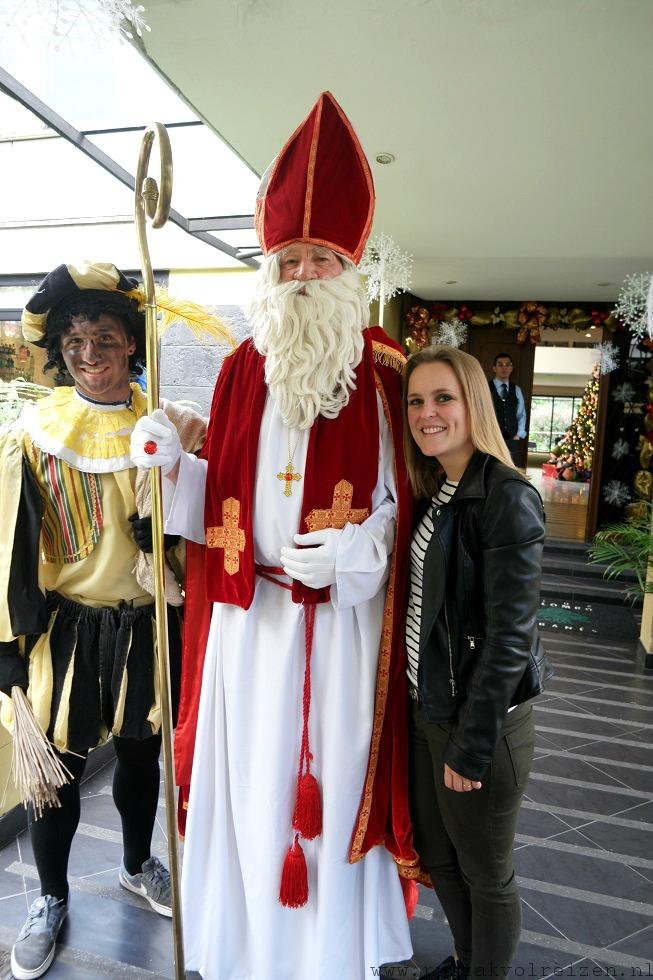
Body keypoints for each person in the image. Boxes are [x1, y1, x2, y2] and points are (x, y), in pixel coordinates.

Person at [131, 91, 419, 980]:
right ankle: (243, 949)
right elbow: (212, 496)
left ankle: (325, 959)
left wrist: (351, 554)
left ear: (349, 269)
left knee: (324, 793)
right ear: (268, 265)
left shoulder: (383, 376)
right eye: (287, 257)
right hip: (245, 623)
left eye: (318, 257)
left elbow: (405, 510)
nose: (299, 274)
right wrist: (167, 464)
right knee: (246, 796)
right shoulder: (237, 370)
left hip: (339, 629)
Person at [0, 263, 207, 980]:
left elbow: (208, 525)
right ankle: (51, 899)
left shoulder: (172, 425)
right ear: (60, 350)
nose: (89, 353)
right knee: (57, 771)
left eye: (106, 338)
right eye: (76, 340)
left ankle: (134, 864)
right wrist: (6, 647)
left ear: (131, 345)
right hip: (69, 629)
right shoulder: (38, 433)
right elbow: (9, 543)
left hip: (152, 625)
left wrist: (174, 519)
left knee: (142, 754)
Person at [403, 345, 549, 980]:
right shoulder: (440, 488)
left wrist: (471, 743)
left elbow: (510, 638)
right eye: (416, 401)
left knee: (487, 872)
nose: (427, 413)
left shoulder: (505, 495)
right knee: (440, 853)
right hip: (429, 705)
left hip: (478, 723)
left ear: (474, 404)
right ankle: (465, 961)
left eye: (443, 398)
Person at [489, 352, 527, 465]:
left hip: (512, 439)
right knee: (491, 468)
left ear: (511, 368)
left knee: (512, 470)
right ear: (494, 368)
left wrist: (518, 435)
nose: (504, 368)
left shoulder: (517, 390)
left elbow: (521, 414)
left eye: (507, 365)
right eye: (500, 365)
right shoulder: (486, 388)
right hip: (491, 438)